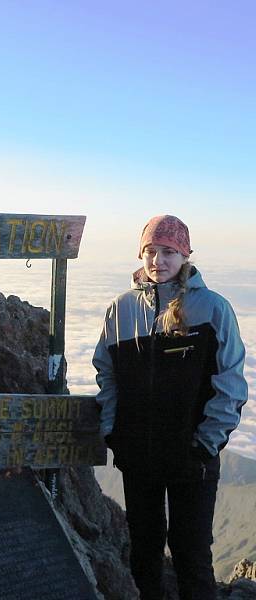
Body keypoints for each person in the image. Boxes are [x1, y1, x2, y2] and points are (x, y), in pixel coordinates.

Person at [93, 215, 247, 600]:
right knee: (143, 552)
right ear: (140, 254)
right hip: (139, 455)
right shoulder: (121, 309)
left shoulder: (213, 308)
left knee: (191, 555)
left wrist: (204, 445)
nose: (158, 261)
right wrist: (114, 433)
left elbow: (229, 383)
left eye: (168, 252)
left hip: (191, 458)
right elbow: (107, 375)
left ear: (184, 256)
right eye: (151, 251)